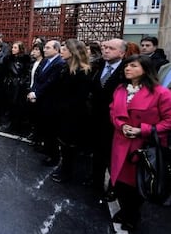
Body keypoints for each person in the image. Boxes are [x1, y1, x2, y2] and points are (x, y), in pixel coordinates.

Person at [110, 54, 171, 231]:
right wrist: (121, 125)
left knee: (137, 186)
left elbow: (168, 121)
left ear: (145, 69)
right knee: (119, 183)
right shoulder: (120, 89)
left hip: (143, 147)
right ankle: (124, 210)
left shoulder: (161, 93)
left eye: (133, 66)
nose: (127, 68)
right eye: (127, 66)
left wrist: (141, 130)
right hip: (120, 142)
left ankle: (132, 215)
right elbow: (113, 111)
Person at [89, 38, 126, 202]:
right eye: (105, 47)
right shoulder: (98, 66)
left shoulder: (126, 71)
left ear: (122, 53)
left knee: (114, 157)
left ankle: (114, 188)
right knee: (97, 153)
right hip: (96, 118)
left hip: (115, 122)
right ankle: (95, 182)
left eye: (111, 48)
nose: (106, 50)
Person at [51, 39, 92, 182]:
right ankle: (64, 168)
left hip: (73, 115)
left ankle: (67, 172)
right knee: (63, 143)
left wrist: (63, 108)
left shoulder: (83, 72)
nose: (61, 51)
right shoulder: (66, 67)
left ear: (73, 52)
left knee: (69, 145)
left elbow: (79, 98)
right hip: (62, 112)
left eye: (65, 49)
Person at [27, 40, 65, 166]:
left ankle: (53, 157)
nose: (45, 49)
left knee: (51, 130)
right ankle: (47, 149)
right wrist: (33, 92)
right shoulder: (45, 61)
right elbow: (37, 78)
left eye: (48, 47)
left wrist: (36, 94)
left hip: (50, 101)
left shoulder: (59, 63)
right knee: (43, 127)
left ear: (56, 49)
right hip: (40, 99)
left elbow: (50, 82)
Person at [3, 41, 30, 134]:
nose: (13, 49)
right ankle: (11, 124)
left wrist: (21, 82)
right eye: (13, 47)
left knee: (18, 106)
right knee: (10, 105)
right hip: (10, 84)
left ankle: (17, 126)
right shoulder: (9, 58)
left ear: (20, 49)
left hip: (19, 86)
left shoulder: (25, 59)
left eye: (15, 48)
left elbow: (27, 73)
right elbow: (6, 71)